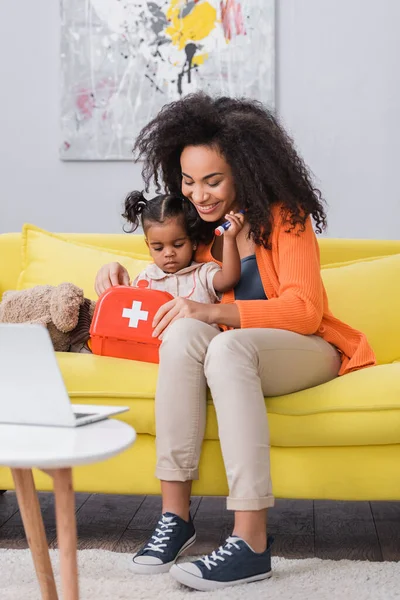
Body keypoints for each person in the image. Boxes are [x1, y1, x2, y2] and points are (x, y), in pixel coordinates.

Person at [95, 93, 376, 591]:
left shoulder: (286, 217)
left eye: (213, 180)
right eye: (187, 180)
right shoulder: (199, 229)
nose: (199, 195)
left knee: (224, 343)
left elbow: (305, 311)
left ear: (244, 170)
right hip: (237, 356)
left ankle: (250, 542)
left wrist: (213, 310)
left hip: (304, 349)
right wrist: (114, 275)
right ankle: (174, 517)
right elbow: (164, 270)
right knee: (184, 333)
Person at [120, 190, 244, 305]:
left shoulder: (203, 274)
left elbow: (228, 280)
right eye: (158, 248)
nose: (169, 253)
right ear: (149, 246)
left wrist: (229, 239)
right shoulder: (144, 279)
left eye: (178, 245)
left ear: (193, 242)